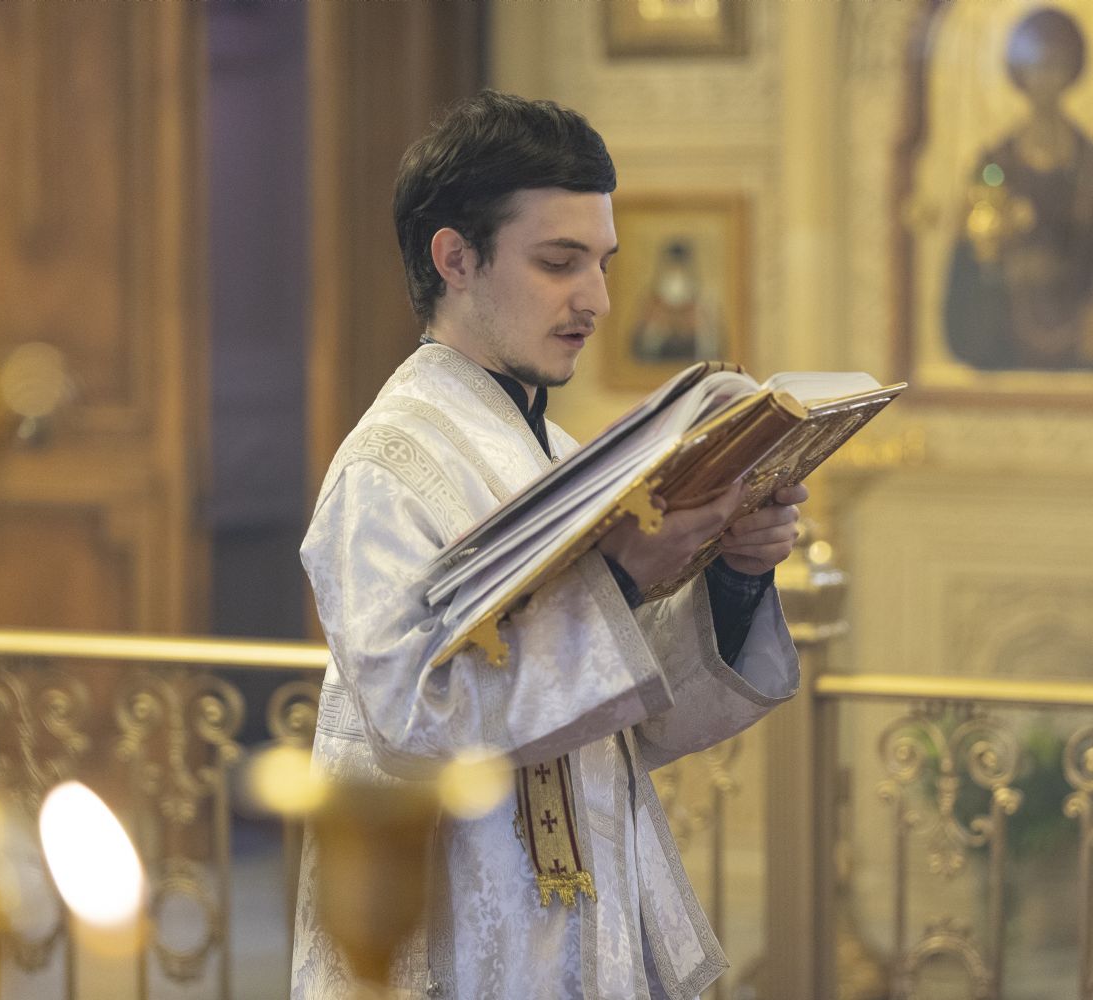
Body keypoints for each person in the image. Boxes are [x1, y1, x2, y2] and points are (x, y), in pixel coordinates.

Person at [291, 90, 805, 1000]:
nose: (597, 300)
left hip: (581, 928)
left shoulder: (560, 458)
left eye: (602, 263)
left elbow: (637, 718)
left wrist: (734, 574)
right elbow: (412, 727)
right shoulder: (384, 469)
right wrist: (619, 579)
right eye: (559, 262)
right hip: (454, 940)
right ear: (456, 259)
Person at [943, 6, 1093, 372]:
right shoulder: (993, 165)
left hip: (1087, 339)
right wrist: (1007, 262)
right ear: (1019, 74)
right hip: (1005, 338)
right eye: (1036, 66)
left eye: (1056, 65)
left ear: (1072, 72)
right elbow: (971, 265)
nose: (1045, 79)